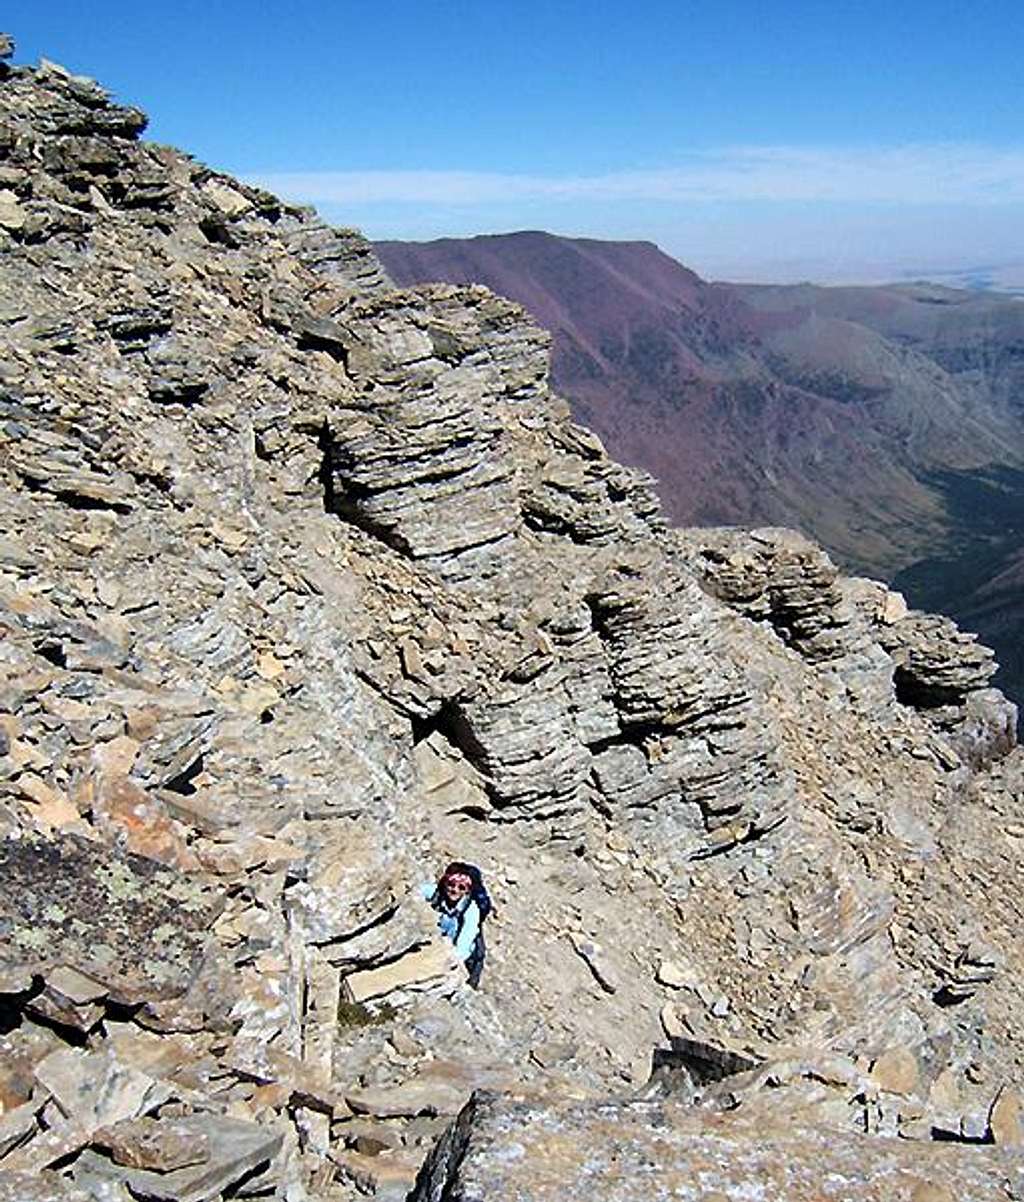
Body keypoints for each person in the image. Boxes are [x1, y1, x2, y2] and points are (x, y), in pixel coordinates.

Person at [420, 861, 490, 988]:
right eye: (451, 884)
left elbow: (464, 944)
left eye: (461, 887)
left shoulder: (471, 910)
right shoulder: (436, 893)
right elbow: (416, 890)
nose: (454, 890)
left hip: (461, 957)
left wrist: (448, 964)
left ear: (468, 891)